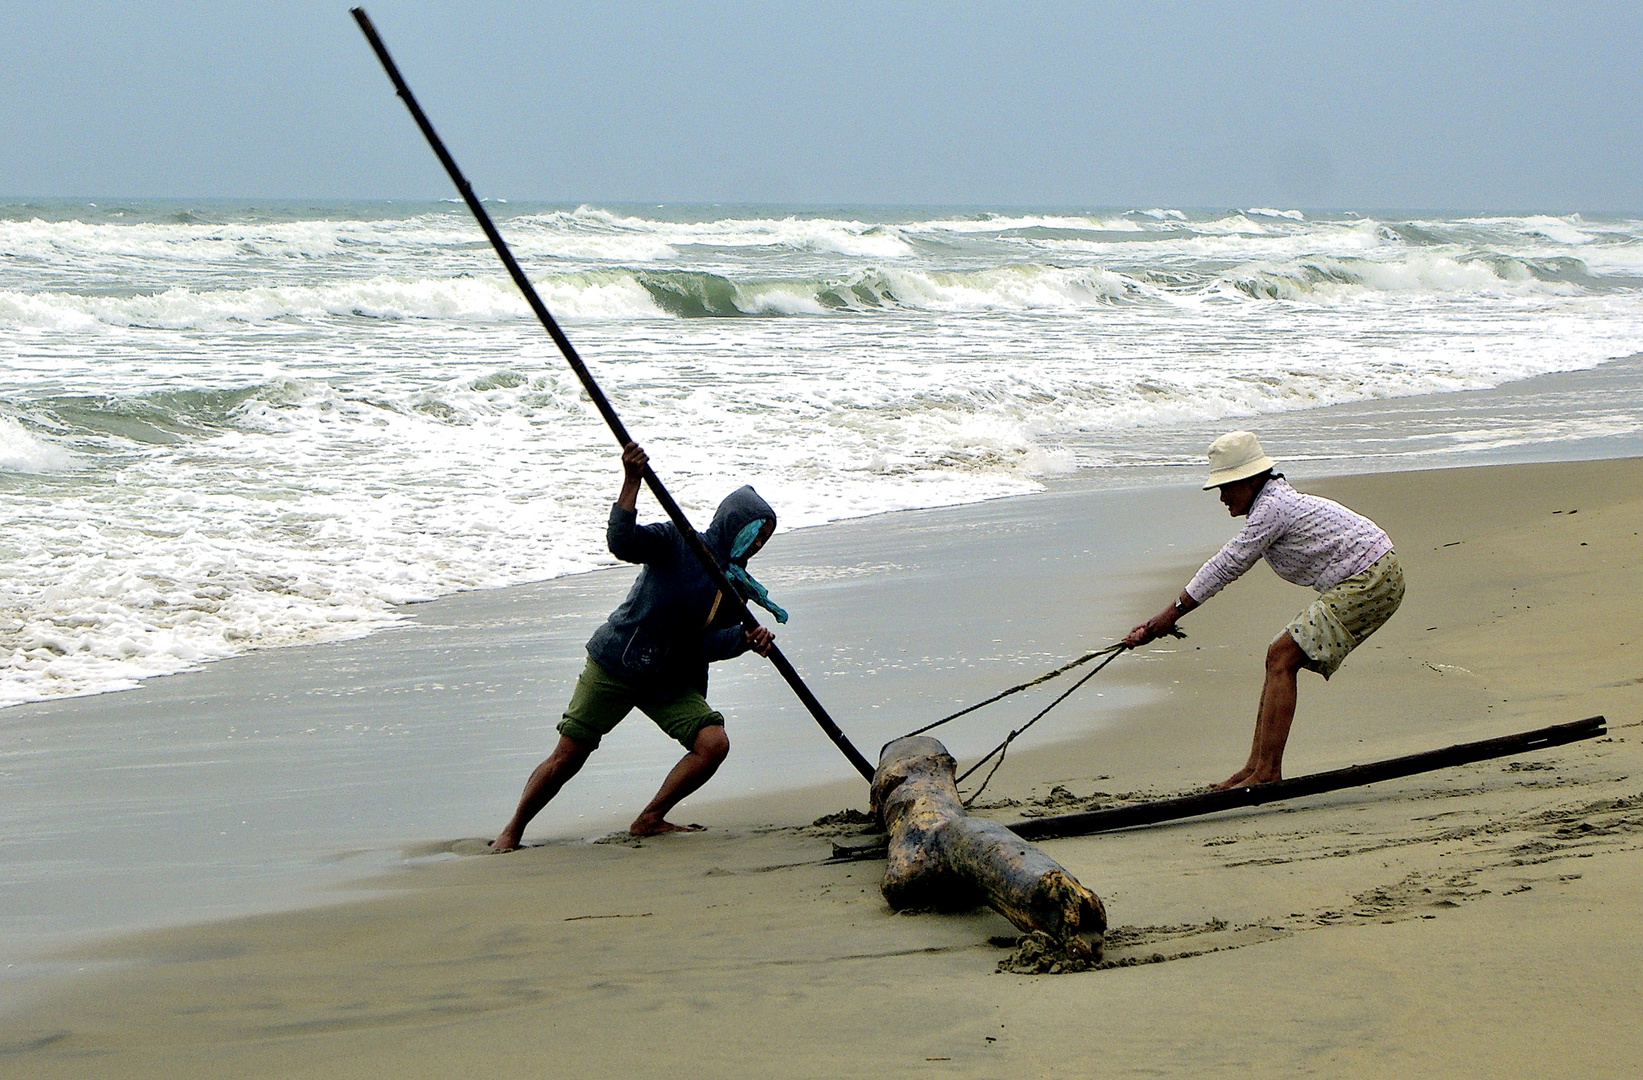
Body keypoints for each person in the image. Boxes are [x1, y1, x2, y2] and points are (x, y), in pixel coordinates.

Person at [492, 442, 783, 850]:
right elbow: (621, 542)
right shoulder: (677, 541)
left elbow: (705, 645)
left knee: (713, 744)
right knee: (567, 757)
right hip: (619, 661)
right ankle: (511, 831)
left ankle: (650, 818)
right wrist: (631, 481)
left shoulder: (737, 588)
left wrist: (745, 640)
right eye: (754, 533)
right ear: (733, 523)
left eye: (764, 538)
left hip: (669, 679)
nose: (757, 545)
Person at [1125, 431, 1404, 790]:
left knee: (1281, 656)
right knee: (1279, 658)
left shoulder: (1272, 509)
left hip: (1373, 577)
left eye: (1227, 487)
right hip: (1370, 574)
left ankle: (1267, 772)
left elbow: (1227, 565)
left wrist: (1166, 617)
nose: (1222, 497)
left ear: (1253, 480)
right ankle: (1255, 768)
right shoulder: (1271, 505)